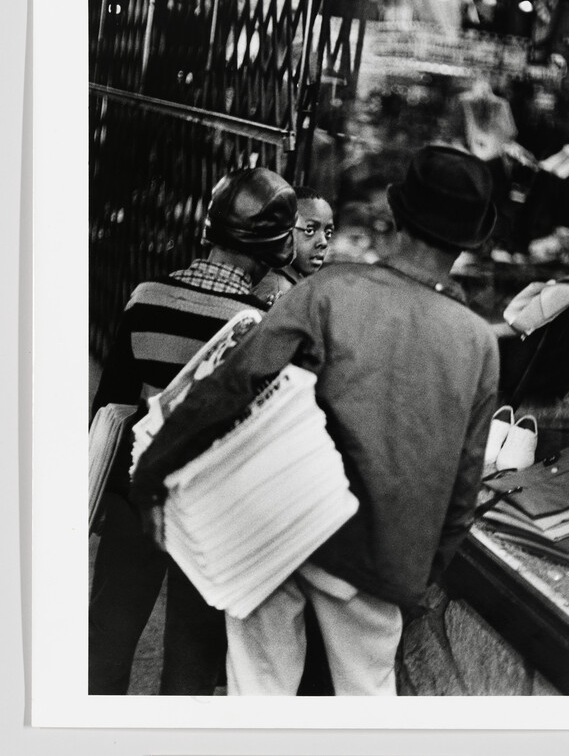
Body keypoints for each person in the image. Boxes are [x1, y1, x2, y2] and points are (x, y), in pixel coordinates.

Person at [130, 145, 501, 696]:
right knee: (365, 699)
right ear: (472, 241)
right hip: (379, 550)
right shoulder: (477, 342)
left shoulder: (327, 291)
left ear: (394, 215)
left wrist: (153, 473)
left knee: (258, 688)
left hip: (282, 522)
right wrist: (426, 570)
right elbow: (465, 482)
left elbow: (233, 385)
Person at [89, 167, 297, 695]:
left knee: (107, 633)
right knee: (193, 654)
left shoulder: (145, 298)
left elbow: (111, 404)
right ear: (274, 247)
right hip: (210, 511)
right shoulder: (259, 328)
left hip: (135, 493)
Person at [254, 186, 335, 306]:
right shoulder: (276, 287)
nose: (323, 242)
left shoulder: (293, 283)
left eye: (328, 233)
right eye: (309, 230)